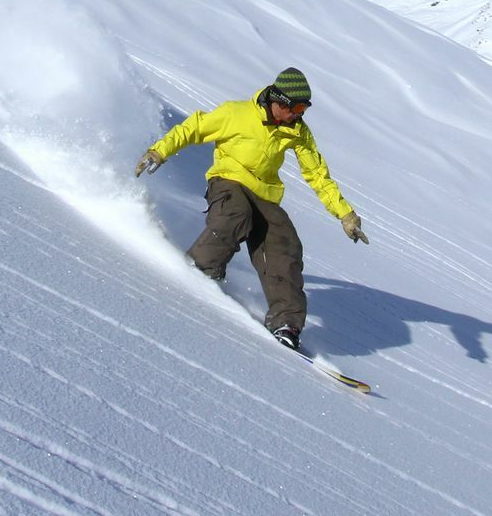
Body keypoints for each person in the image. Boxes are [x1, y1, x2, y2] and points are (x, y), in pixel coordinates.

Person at [135, 67, 368, 350]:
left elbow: (317, 174)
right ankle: (200, 268)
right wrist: (159, 150)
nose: (300, 114)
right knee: (236, 215)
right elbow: (193, 127)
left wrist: (345, 214)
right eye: (295, 107)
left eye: (305, 108)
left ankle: (286, 322)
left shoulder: (297, 131)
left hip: (266, 194)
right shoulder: (237, 114)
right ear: (277, 101)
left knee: (286, 244)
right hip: (228, 181)